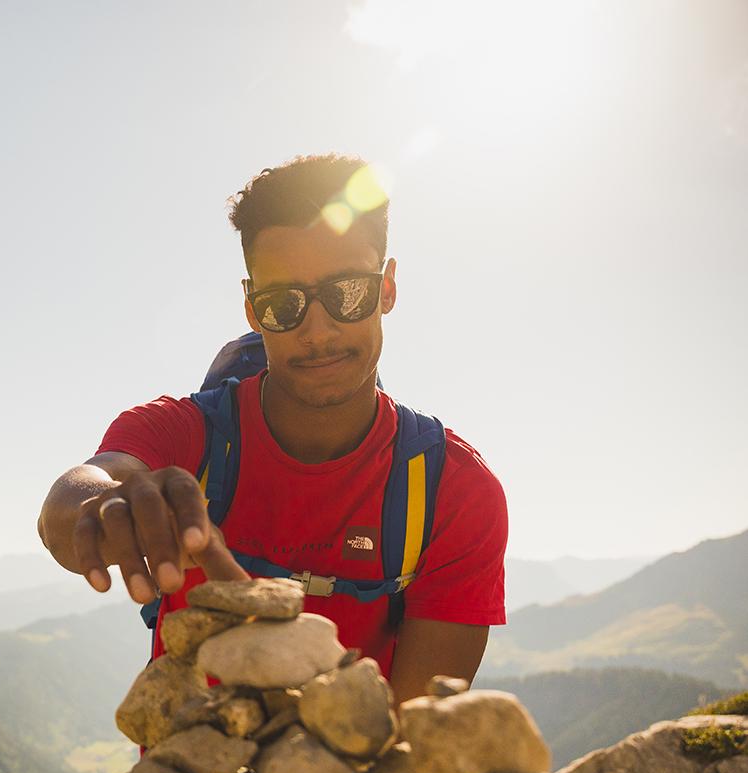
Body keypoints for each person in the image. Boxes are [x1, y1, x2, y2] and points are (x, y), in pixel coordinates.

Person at [36, 154, 506, 705]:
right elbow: (72, 501)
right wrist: (107, 507)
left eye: (348, 292)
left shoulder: (454, 492)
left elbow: (413, 733)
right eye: (284, 304)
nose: (318, 329)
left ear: (387, 289)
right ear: (252, 310)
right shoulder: (182, 436)